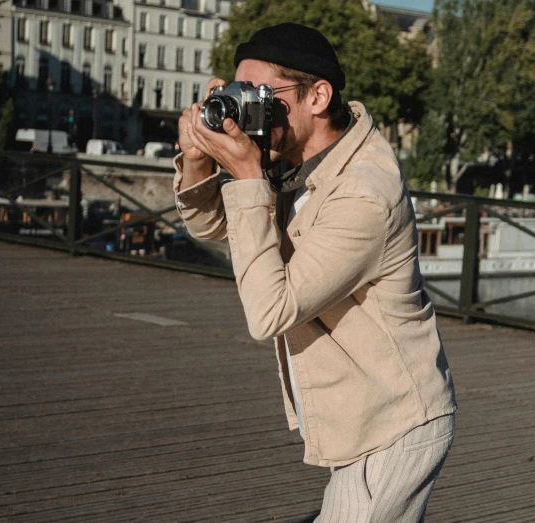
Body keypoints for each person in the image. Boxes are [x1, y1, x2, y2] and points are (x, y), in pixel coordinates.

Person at [172, 23, 456, 522]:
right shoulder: (296, 157)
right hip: (358, 415)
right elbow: (215, 224)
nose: (246, 107)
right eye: (238, 93)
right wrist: (199, 162)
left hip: (393, 423)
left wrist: (244, 176)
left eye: (260, 94)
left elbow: (270, 312)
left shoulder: (364, 191)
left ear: (317, 96)